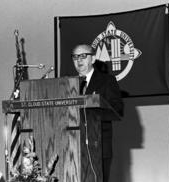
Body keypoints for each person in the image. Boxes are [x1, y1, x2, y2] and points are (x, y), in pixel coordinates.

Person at [71, 44, 124, 182]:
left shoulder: (107, 81)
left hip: (99, 146)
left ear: (93, 59)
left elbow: (117, 110)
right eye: (75, 57)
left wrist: (93, 109)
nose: (79, 60)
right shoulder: (68, 84)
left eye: (83, 56)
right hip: (72, 146)